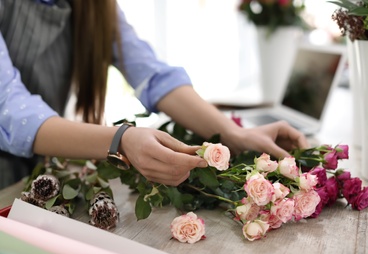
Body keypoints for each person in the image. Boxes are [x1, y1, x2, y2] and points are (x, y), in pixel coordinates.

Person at [0, 0, 308, 189]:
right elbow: (10, 108)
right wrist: (121, 141)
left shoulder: (96, 6)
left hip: (36, 168)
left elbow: (151, 72)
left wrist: (231, 133)